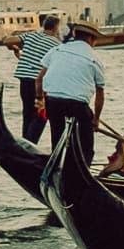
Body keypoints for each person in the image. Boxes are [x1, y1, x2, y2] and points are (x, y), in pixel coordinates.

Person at [40, 21, 106, 167]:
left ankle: (57, 165)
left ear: (75, 34)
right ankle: (83, 169)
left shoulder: (57, 50)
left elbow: (39, 79)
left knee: (57, 139)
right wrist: (95, 119)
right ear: (91, 39)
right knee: (86, 145)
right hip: (77, 105)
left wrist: (40, 100)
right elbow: (100, 93)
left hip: (53, 102)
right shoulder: (95, 59)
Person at [9, 14, 61, 143]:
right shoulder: (57, 45)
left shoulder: (31, 35)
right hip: (40, 84)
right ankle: (30, 143)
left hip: (24, 81)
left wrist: (17, 50)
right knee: (41, 115)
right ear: (55, 29)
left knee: (27, 114)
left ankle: (24, 143)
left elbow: (7, 41)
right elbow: (48, 68)